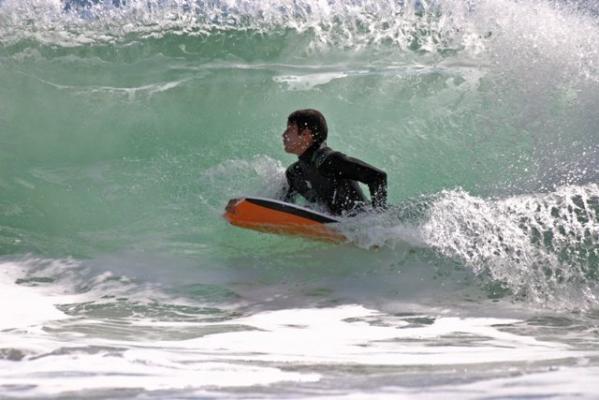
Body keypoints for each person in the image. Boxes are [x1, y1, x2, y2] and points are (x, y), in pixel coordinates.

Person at [281, 109, 387, 216]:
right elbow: (281, 207)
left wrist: (379, 219)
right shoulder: (295, 173)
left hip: (368, 223)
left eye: (290, 129)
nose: (284, 135)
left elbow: (377, 176)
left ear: (306, 134)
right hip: (341, 225)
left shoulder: (329, 160)